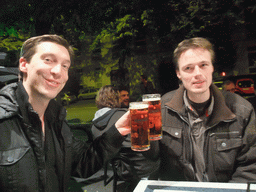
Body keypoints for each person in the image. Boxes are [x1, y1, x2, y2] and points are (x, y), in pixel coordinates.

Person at [0, 34, 130, 192]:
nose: (58, 72)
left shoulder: (56, 121)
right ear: (24, 64)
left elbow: (82, 163)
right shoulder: (4, 121)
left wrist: (117, 131)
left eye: (65, 66)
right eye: (48, 60)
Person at [159, 37, 256, 182]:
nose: (197, 73)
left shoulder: (242, 110)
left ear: (212, 68)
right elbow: (150, 164)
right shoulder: (162, 109)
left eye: (203, 65)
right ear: (178, 73)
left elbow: (250, 167)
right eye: (188, 68)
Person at [91, 85, 159, 192]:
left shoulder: (95, 123)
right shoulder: (122, 116)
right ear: (116, 98)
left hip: (118, 168)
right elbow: (144, 144)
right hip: (139, 168)